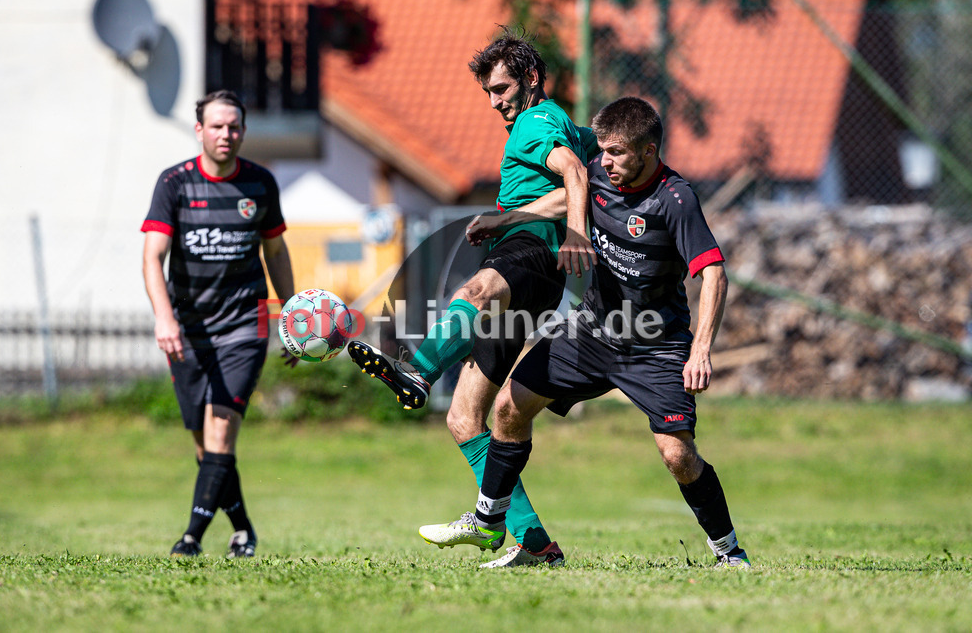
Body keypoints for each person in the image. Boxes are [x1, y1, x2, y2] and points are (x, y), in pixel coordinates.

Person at [420, 96, 751, 568]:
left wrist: (700, 351)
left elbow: (713, 272)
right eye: (603, 151)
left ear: (649, 151)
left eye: (617, 152)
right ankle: (489, 519)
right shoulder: (598, 172)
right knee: (509, 406)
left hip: (655, 345)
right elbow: (562, 198)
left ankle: (729, 553)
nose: (605, 161)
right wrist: (505, 219)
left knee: (677, 455)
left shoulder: (676, 200)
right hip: (591, 332)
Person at [348, 28, 597, 568]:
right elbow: (585, 164)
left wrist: (571, 233)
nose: (494, 102)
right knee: (464, 418)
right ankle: (535, 544)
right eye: (488, 92)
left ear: (531, 78)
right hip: (532, 266)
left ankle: (418, 370)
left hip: (530, 254)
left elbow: (573, 175)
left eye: (502, 88)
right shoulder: (561, 124)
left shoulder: (534, 122)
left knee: (475, 291)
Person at [141, 89, 296, 558]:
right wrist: (164, 318)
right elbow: (152, 257)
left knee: (222, 429)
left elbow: (275, 251)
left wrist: (291, 313)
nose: (226, 134)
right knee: (204, 442)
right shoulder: (175, 183)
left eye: (234, 126)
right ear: (199, 131)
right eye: (217, 126)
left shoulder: (261, 183)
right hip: (187, 331)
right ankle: (244, 529)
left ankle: (190, 537)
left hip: (245, 325)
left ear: (243, 131)